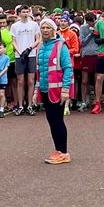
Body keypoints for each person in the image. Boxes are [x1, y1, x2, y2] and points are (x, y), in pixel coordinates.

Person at [35, 18, 73, 164]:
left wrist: (65, 89)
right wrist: (36, 90)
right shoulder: (41, 47)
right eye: (43, 27)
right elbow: (40, 71)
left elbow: (68, 68)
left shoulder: (60, 46)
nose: (45, 30)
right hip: (45, 89)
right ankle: (58, 150)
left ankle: (63, 152)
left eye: (48, 28)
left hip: (57, 90)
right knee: (51, 120)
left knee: (57, 120)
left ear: (53, 30)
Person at [10, 8, 41, 115]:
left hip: (31, 55)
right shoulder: (15, 26)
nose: (25, 14)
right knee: (20, 81)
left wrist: (29, 49)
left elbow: (38, 39)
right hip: (19, 56)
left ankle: (29, 105)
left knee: (31, 81)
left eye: (27, 12)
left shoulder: (34, 25)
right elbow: (13, 41)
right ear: (19, 14)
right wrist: (20, 52)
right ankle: (20, 105)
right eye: (23, 12)